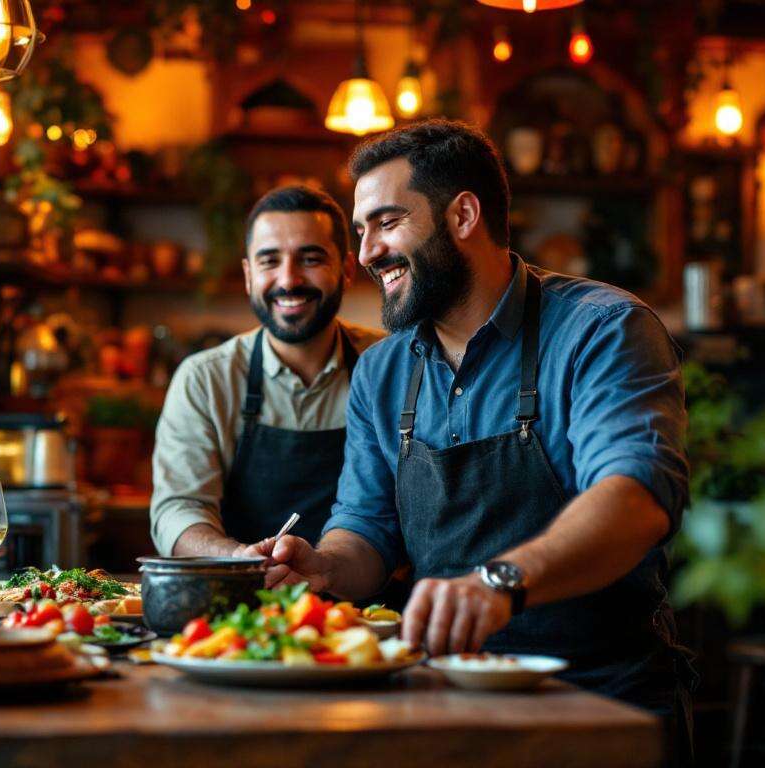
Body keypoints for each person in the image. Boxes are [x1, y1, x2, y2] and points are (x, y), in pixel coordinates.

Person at [255, 121, 694, 747]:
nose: (367, 252)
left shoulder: (603, 330)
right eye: (360, 232)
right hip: (445, 703)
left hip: (601, 704)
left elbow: (635, 500)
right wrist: (323, 568)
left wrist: (500, 583)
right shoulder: (382, 370)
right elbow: (367, 531)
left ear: (463, 214)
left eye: (386, 222)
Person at [149, 185, 385, 558]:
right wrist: (237, 559)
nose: (288, 280)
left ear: (347, 269)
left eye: (310, 259)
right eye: (269, 261)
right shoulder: (206, 380)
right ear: (248, 275)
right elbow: (178, 511)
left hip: (371, 611)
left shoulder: (392, 366)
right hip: (241, 606)